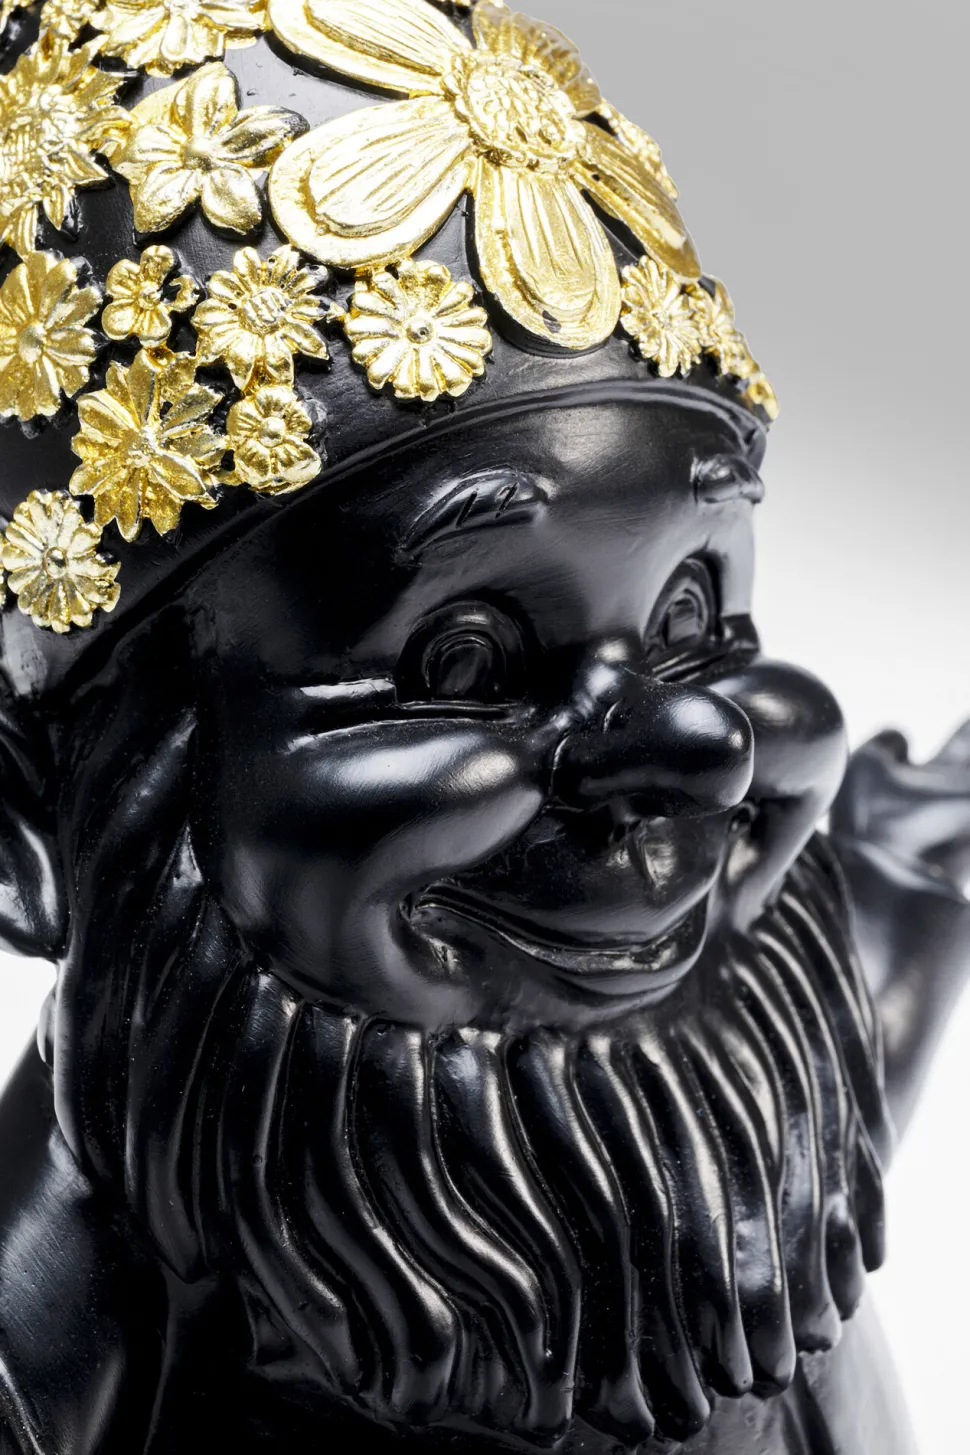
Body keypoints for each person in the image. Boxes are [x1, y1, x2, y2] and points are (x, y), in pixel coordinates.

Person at [0, 2, 968, 1450]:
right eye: (463, 658)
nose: (699, 750)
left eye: (693, 616)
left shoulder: (746, 1117)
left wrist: (898, 884)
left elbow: (835, 1047)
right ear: (30, 835)